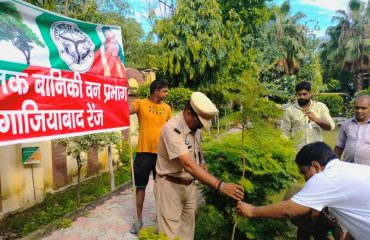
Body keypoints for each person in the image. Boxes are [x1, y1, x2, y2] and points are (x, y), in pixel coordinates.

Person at [236, 141, 370, 240]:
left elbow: (289, 209)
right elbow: (361, 212)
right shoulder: (351, 170)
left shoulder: (325, 178)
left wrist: (252, 211)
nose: (305, 179)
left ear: (315, 166)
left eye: (304, 172)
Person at [155, 92, 244, 240]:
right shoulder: (172, 129)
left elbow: (198, 148)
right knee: (169, 235)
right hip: (170, 187)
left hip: (189, 187)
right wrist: (220, 185)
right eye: (199, 122)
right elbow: (188, 165)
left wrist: (202, 162)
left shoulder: (195, 128)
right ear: (188, 113)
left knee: (187, 233)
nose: (201, 126)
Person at [129, 79, 172, 234]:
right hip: (143, 154)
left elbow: (170, 129)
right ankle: (138, 220)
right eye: (165, 91)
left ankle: (161, 220)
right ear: (156, 91)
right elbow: (127, 110)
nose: (167, 94)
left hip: (162, 154)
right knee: (140, 188)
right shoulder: (141, 103)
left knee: (161, 188)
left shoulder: (167, 108)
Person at [281, 81, 335, 149]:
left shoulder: (320, 107)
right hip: (297, 153)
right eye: (299, 94)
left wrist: (316, 119)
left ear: (310, 93)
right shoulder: (289, 111)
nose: (302, 97)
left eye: (304, 94)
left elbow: (331, 126)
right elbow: (284, 134)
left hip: (316, 152)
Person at [334, 94, 370, 165]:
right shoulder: (346, 124)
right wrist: (334, 164)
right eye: (357, 108)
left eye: (363, 108)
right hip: (349, 168)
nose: (359, 111)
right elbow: (339, 147)